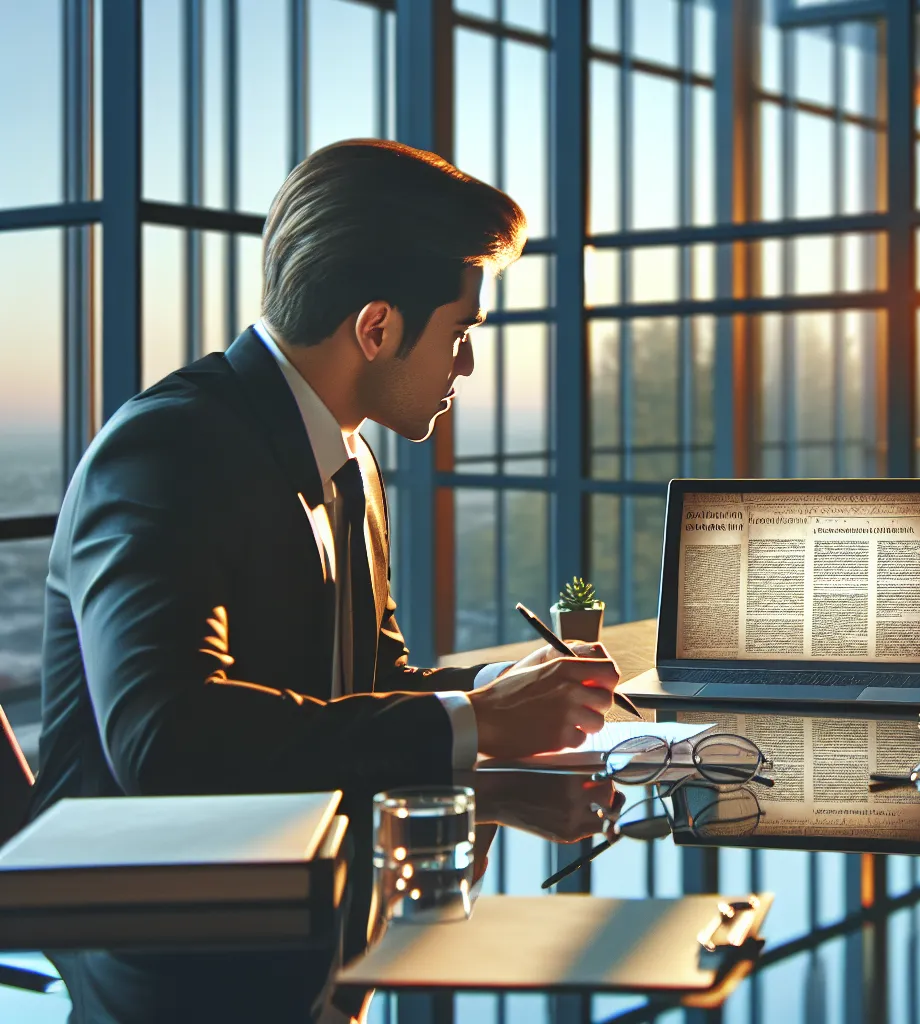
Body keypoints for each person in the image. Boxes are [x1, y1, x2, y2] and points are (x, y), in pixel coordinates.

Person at [31, 141, 627, 1020]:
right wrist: (474, 723)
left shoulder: (349, 459)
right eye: (460, 332)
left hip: (311, 925)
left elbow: (370, 681)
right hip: (184, 970)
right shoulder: (169, 451)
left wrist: (497, 694)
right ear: (377, 326)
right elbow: (168, 738)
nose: (465, 366)